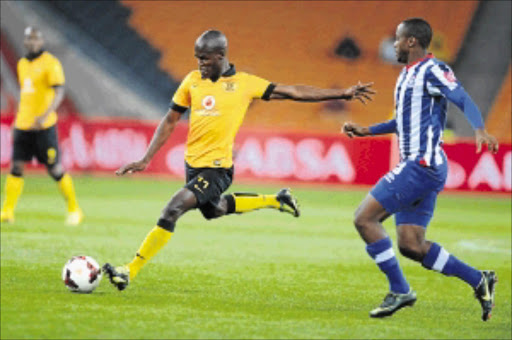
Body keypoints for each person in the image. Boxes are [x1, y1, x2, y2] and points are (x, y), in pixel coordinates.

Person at [103, 30, 375, 290]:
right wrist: (145, 158)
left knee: (172, 210)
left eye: (204, 59)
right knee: (215, 210)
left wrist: (341, 93)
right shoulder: (192, 81)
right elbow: (170, 119)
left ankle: (129, 269)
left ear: (220, 56)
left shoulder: (245, 84)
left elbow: (293, 91)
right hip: (193, 165)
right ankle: (276, 200)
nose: (200, 64)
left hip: (218, 169)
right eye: (197, 58)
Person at [342, 18, 499, 320]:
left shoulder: (433, 69)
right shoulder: (406, 76)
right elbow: (402, 122)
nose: (395, 44)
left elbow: (461, 96)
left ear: (411, 41)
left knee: (364, 218)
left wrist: (479, 128)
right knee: (411, 245)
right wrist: (366, 130)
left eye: (398, 39)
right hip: (421, 167)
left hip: (421, 165)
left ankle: (400, 290)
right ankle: (479, 279)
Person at [0, 27, 83, 226]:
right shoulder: (22, 64)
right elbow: (26, 97)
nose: (32, 42)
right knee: (16, 167)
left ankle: (74, 209)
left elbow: (59, 92)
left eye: (36, 39)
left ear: (41, 41)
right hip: (23, 125)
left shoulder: (50, 63)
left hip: (44, 126)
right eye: (29, 38)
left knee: (55, 169)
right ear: (25, 41)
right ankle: (7, 211)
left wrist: (45, 115)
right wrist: (17, 121)